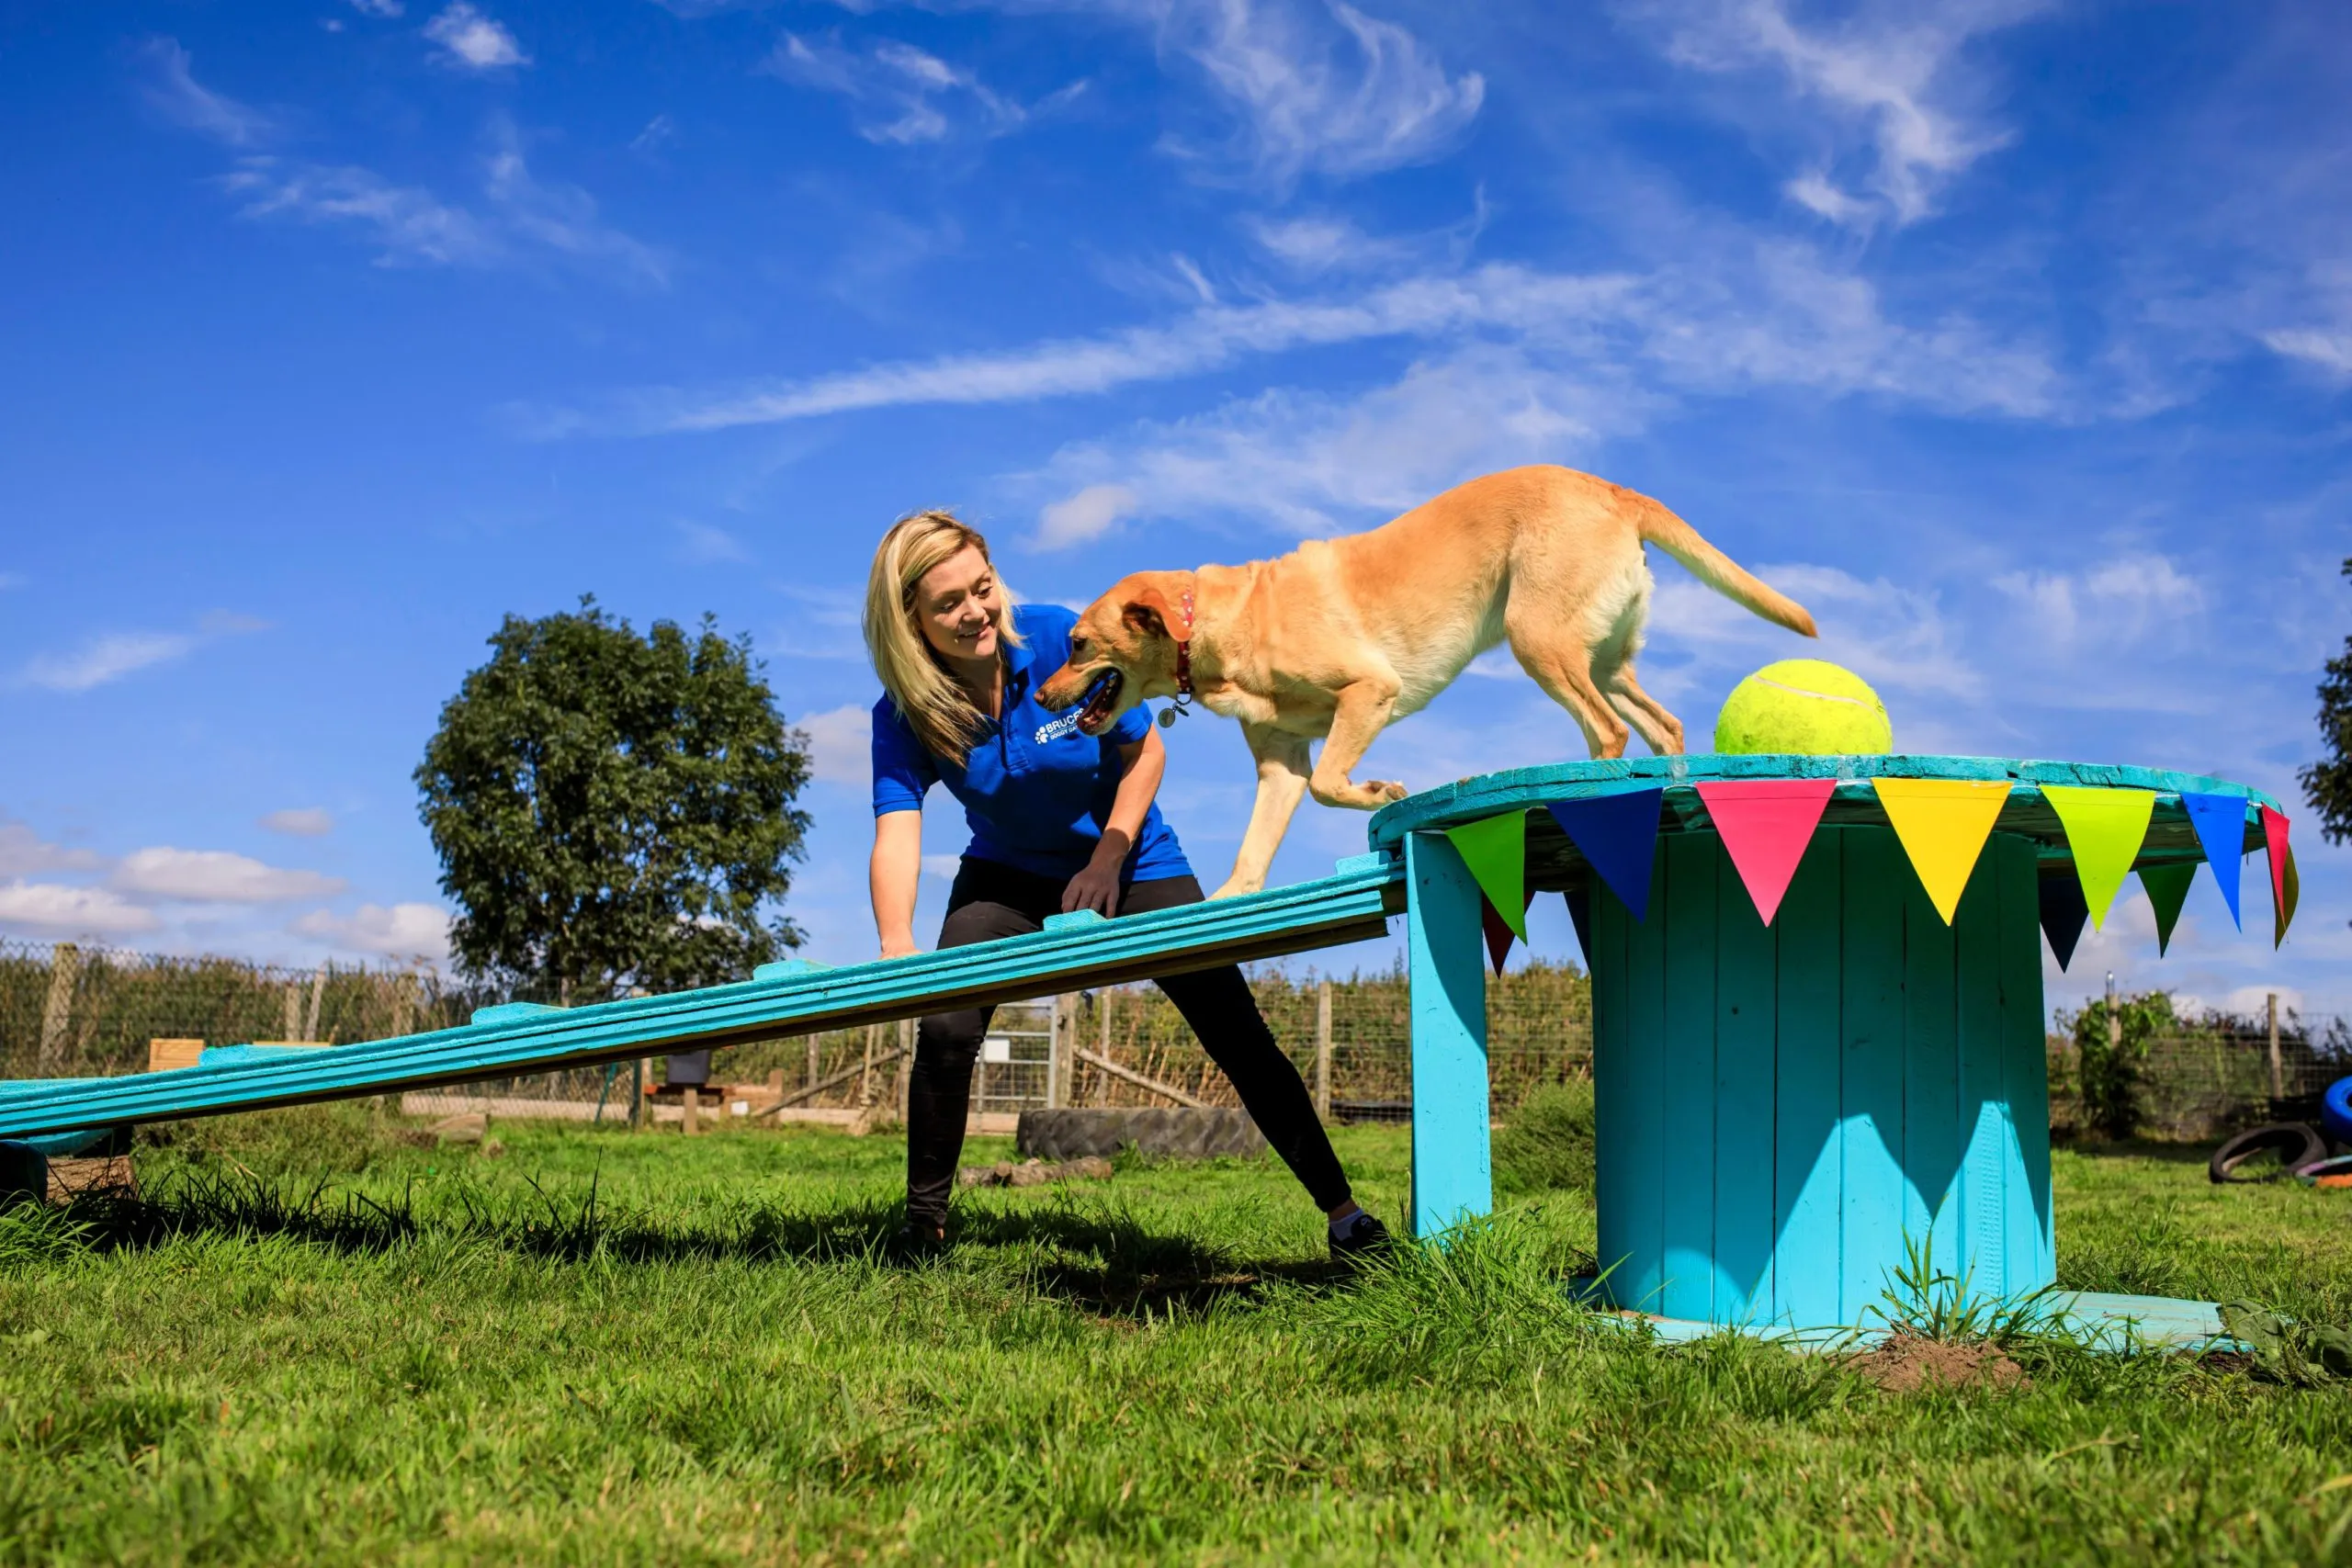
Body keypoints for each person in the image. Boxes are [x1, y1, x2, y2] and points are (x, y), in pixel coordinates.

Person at [864, 509, 1391, 1259]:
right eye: (949, 603)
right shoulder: (904, 711)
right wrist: (896, 947)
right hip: (1005, 875)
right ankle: (924, 1230)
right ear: (908, 619)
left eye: (983, 587)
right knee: (945, 1026)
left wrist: (1107, 859)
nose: (977, 611)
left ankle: (1346, 1218)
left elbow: (1144, 753)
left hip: (1129, 855)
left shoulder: (1059, 636)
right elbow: (896, 830)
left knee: (1232, 1024)